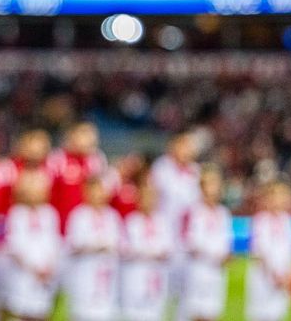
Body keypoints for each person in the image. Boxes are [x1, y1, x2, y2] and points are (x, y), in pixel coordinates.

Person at [150, 128, 201, 314]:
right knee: (160, 291)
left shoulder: (195, 172)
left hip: (186, 241)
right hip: (165, 236)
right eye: (184, 145)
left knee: (185, 294)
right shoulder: (161, 169)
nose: (188, 150)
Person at [0, 169, 61, 321]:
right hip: (23, 272)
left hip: (45, 273)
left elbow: (53, 242)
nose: (35, 194)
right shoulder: (16, 214)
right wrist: (33, 268)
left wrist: (48, 266)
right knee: (20, 311)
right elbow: (15, 245)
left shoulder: (50, 214)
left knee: (41, 311)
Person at [64, 175, 123, 321]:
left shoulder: (112, 216)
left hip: (107, 278)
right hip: (85, 277)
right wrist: (94, 247)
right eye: (93, 191)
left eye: (101, 190)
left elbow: (122, 244)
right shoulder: (79, 215)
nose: (98, 195)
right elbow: (73, 244)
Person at [180, 165, 232, 321]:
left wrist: (226, 255)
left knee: (213, 312)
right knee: (196, 312)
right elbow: (190, 242)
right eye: (210, 184)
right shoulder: (194, 211)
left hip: (217, 271)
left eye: (216, 184)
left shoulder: (223, 213)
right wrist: (213, 255)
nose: (214, 189)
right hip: (199, 269)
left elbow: (226, 240)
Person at [246, 180, 291, 321]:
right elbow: (259, 251)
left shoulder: (288, 222)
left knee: (278, 314)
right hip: (264, 279)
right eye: (275, 197)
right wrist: (274, 274)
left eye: (282, 196)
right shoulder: (260, 221)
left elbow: (290, 252)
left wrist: (288, 276)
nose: (278, 201)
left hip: (282, 280)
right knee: (261, 315)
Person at [122, 180, 172, 321]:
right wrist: (149, 252)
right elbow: (127, 248)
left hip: (156, 277)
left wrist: (149, 252)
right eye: (145, 197)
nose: (149, 201)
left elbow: (167, 248)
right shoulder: (132, 221)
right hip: (136, 278)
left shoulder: (163, 222)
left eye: (152, 197)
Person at [47, 121, 107, 232]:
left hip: (86, 225)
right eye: (85, 133)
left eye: (93, 134)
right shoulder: (57, 158)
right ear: (71, 135)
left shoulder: (97, 159)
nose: (91, 138)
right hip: (60, 222)